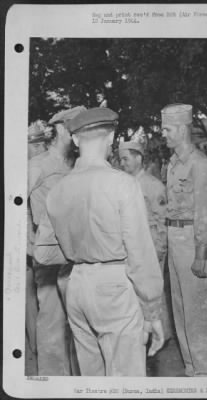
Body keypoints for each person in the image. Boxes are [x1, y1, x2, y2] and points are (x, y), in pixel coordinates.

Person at [34, 107, 164, 376]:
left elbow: (43, 255)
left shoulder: (58, 190)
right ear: (111, 138)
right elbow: (140, 254)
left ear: (77, 140)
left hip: (77, 286)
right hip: (115, 287)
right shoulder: (123, 184)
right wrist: (152, 312)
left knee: (91, 381)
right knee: (126, 383)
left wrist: (78, 249)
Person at [161, 103, 207, 377]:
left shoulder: (200, 164)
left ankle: (206, 373)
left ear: (183, 129)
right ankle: (191, 368)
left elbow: (206, 213)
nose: (163, 134)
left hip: (192, 240)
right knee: (180, 308)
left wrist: (201, 253)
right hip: (175, 237)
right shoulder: (173, 163)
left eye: (168, 128)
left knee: (197, 312)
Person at [28, 106, 85, 375]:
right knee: (51, 320)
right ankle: (51, 383)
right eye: (75, 128)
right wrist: (30, 242)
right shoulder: (38, 165)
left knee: (79, 323)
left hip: (77, 254)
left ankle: (78, 383)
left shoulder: (77, 165)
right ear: (62, 129)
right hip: (49, 255)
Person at [119, 140, 173, 340]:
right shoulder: (122, 184)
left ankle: (159, 337)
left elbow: (162, 220)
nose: (122, 163)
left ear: (138, 158)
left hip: (150, 247)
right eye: (120, 159)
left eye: (126, 158)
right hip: (131, 248)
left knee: (153, 293)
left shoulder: (153, 185)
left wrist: (159, 249)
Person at [26, 121, 49, 369]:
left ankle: (40, 349)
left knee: (41, 300)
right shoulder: (35, 167)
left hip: (41, 244)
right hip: (36, 244)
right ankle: (37, 348)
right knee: (34, 299)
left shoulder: (39, 165)